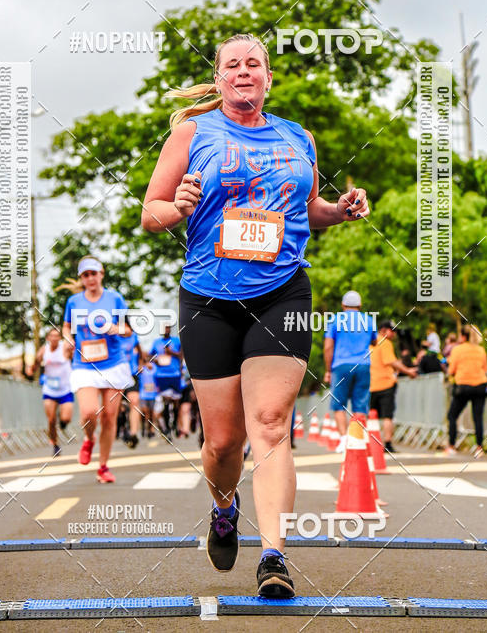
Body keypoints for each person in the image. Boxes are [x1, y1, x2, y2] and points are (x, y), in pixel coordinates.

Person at [141, 33, 369, 598]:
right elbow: (151, 213)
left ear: (268, 77)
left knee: (270, 425)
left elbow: (308, 209)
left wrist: (339, 211)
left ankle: (274, 558)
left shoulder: (298, 138)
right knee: (222, 442)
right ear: (219, 79)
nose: (244, 72)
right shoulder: (192, 133)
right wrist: (182, 207)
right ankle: (224, 506)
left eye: (254, 64)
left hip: (282, 292)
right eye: (232, 65)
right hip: (209, 299)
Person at [59, 256, 134, 483]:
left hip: (113, 363)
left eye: (93, 273)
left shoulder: (115, 298)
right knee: (89, 412)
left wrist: (115, 328)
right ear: (82, 279)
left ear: (101, 273)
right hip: (85, 364)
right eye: (85, 275)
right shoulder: (73, 301)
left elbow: (128, 330)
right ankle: (89, 438)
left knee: (110, 418)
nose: (90, 278)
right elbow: (66, 327)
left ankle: (103, 467)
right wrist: (67, 340)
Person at [323, 291, 377, 453]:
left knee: (339, 404)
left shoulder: (334, 320)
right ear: (360, 306)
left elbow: (327, 347)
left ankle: (344, 439)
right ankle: (358, 439)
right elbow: (374, 341)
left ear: (343, 305)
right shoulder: (368, 320)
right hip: (363, 365)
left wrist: (328, 370)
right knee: (360, 403)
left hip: (341, 365)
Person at [369, 320, 417, 452]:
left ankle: (367, 443)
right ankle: (388, 444)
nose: (394, 333)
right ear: (384, 330)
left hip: (370, 384)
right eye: (392, 330)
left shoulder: (369, 342)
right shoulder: (384, 342)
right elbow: (391, 362)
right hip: (385, 384)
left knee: (369, 415)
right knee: (387, 416)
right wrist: (408, 371)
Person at [446, 325, 487, 458]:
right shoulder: (481, 350)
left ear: (463, 336)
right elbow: (485, 369)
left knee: (452, 415)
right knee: (478, 418)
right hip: (480, 385)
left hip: (463, 386)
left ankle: (452, 446)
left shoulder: (457, 350)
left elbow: (451, 370)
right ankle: (479, 448)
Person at [32, 329, 74, 456]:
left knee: (66, 418)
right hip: (50, 389)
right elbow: (36, 364)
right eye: (52, 336)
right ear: (48, 338)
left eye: (57, 336)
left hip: (65, 389)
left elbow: (75, 357)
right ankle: (55, 445)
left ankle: (63, 423)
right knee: (51, 420)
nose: (55, 338)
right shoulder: (44, 350)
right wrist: (34, 366)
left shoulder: (65, 348)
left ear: (60, 338)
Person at [149, 324, 183, 439]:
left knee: (176, 401)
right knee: (165, 401)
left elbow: (182, 356)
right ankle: (167, 429)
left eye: (168, 328)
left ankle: (175, 424)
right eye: (164, 328)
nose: (166, 330)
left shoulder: (176, 341)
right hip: (161, 376)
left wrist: (171, 353)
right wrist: (155, 361)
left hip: (175, 375)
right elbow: (150, 356)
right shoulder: (156, 342)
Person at [122, 327, 144, 448]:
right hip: (115, 375)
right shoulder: (110, 335)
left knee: (134, 401)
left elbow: (140, 352)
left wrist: (141, 364)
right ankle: (122, 428)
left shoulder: (133, 336)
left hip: (132, 374)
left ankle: (134, 434)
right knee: (118, 408)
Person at [138, 359, 158, 436]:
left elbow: (157, 374)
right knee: (144, 411)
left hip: (152, 394)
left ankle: (150, 429)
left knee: (151, 412)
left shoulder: (154, 368)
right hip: (143, 394)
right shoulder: (142, 369)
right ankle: (143, 428)